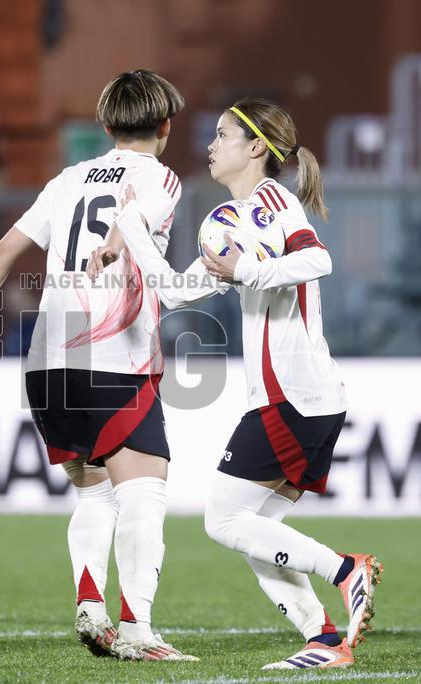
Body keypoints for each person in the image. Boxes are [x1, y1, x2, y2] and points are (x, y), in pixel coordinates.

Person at [108, 98, 382, 671]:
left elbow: (319, 261)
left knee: (225, 521)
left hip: (294, 394)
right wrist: (131, 224)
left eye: (223, 135)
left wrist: (245, 272)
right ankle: (325, 640)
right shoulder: (228, 218)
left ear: (256, 147)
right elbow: (177, 292)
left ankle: (343, 571)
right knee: (253, 529)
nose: (210, 145)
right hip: (297, 395)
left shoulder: (273, 202)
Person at [0, 70, 196, 662]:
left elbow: (1, 251)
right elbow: (134, 216)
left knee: (94, 492)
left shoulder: (67, 179)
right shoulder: (160, 174)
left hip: (46, 360)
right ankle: (138, 630)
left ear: (106, 124)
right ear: (165, 126)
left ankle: (90, 603)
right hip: (112, 354)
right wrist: (116, 240)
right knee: (144, 487)